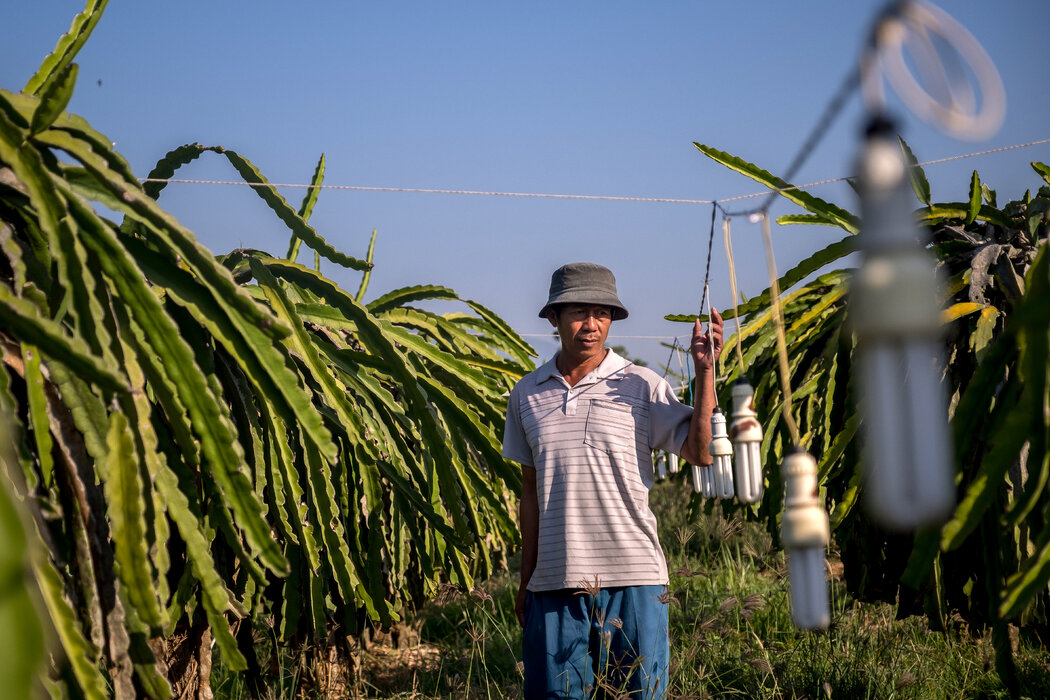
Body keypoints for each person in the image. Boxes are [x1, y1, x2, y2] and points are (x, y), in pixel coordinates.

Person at [502, 262, 723, 699]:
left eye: (601, 313)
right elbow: (530, 493)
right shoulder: (526, 393)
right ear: (554, 318)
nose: (591, 325)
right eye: (579, 312)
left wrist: (705, 373)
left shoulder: (640, 385)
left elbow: (700, 453)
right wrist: (527, 579)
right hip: (554, 581)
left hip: (635, 578)